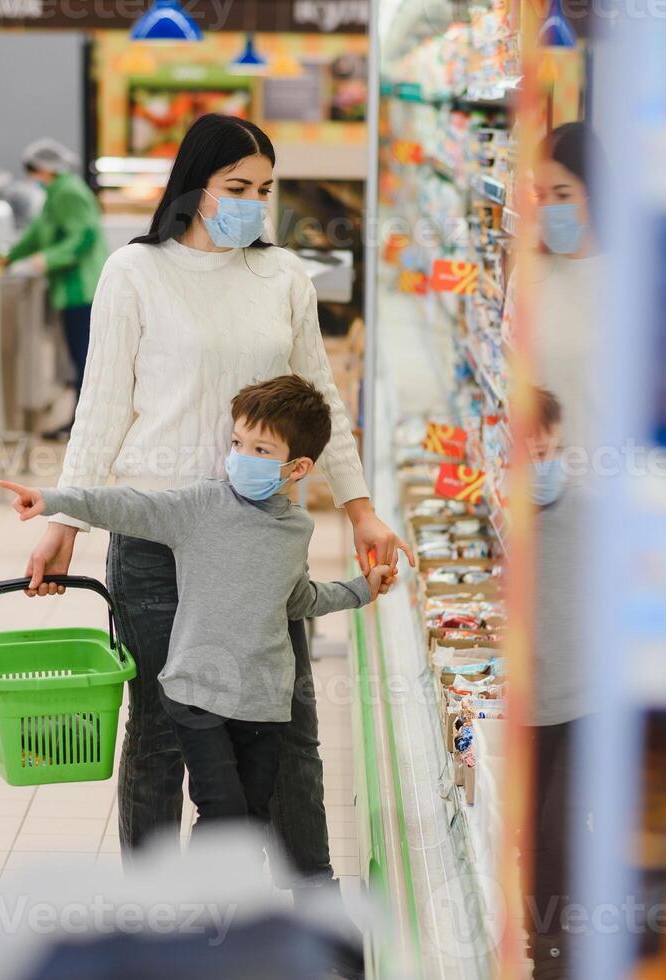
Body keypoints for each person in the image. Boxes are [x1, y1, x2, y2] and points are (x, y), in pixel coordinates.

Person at [23, 113, 412, 898]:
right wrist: (64, 523)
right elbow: (101, 407)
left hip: (262, 542)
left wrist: (362, 506)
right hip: (157, 535)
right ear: (195, 187)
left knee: (289, 728)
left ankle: (313, 906)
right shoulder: (135, 272)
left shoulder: (285, 280)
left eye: (264, 189)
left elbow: (320, 400)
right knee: (164, 732)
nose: (252, 204)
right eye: (237, 187)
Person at [0, 376, 393, 838]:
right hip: (195, 693)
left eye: (261, 451)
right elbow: (129, 506)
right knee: (222, 809)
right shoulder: (201, 506)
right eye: (236, 443)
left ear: (299, 467)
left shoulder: (295, 531)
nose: (241, 458)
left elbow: (298, 600)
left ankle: (227, 903)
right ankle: (203, 904)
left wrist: (361, 590)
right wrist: (55, 501)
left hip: (262, 701)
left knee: (250, 820)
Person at [525, 386, 589, 980]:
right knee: (529, 829)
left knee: (561, 826)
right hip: (526, 705)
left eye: (553, 452)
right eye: (530, 454)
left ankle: (557, 952)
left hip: (584, 702)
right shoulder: (496, 514)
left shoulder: (590, 512)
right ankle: (539, 935)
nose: (545, 466)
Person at [0, 138, 108, 440]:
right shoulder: (56, 193)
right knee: (76, 359)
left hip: (82, 288)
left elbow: (82, 238)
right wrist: (8, 257)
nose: (35, 178)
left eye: (36, 171)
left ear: (46, 169)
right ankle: (79, 421)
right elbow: (37, 234)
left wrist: (43, 260)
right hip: (70, 290)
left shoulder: (69, 192)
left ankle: (86, 426)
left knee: (85, 358)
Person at [533, 121, 602, 456]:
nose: (549, 209)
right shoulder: (530, 276)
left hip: (605, 485)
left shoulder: (628, 284)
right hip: (538, 486)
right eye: (541, 195)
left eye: (562, 194)